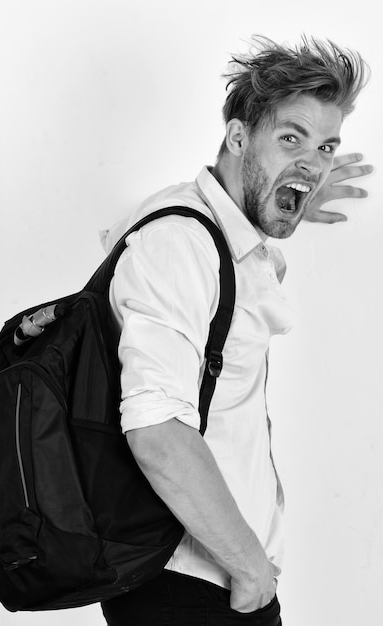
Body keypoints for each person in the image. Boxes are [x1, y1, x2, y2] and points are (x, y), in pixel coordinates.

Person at [100, 36, 372, 625]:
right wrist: (250, 566)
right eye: (290, 137)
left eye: (325, 146)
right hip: (193, 584)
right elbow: (155, 429)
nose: (312, 161)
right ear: (238, 138)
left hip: (214, 580)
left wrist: (285, 189)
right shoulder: (180, 243)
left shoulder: (215, 232)